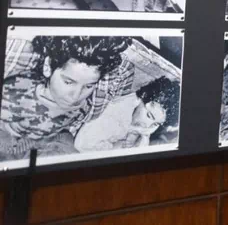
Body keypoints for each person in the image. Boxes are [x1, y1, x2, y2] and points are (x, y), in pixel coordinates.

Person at [1, 36, 134, 159]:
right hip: (10, 140)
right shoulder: (16, 91)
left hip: (54, 139)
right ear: (48, 67)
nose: (75, 96)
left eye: (88, 86)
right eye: (68, 82)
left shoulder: (88, 104)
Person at [74, 76, 180, 152]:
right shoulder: (115, 116)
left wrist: (142, 138)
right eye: (149, 116)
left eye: (156, 124)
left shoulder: (142, 109)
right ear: (141, 98)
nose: (147, 126)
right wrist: (124, 144)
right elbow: (81, 145)